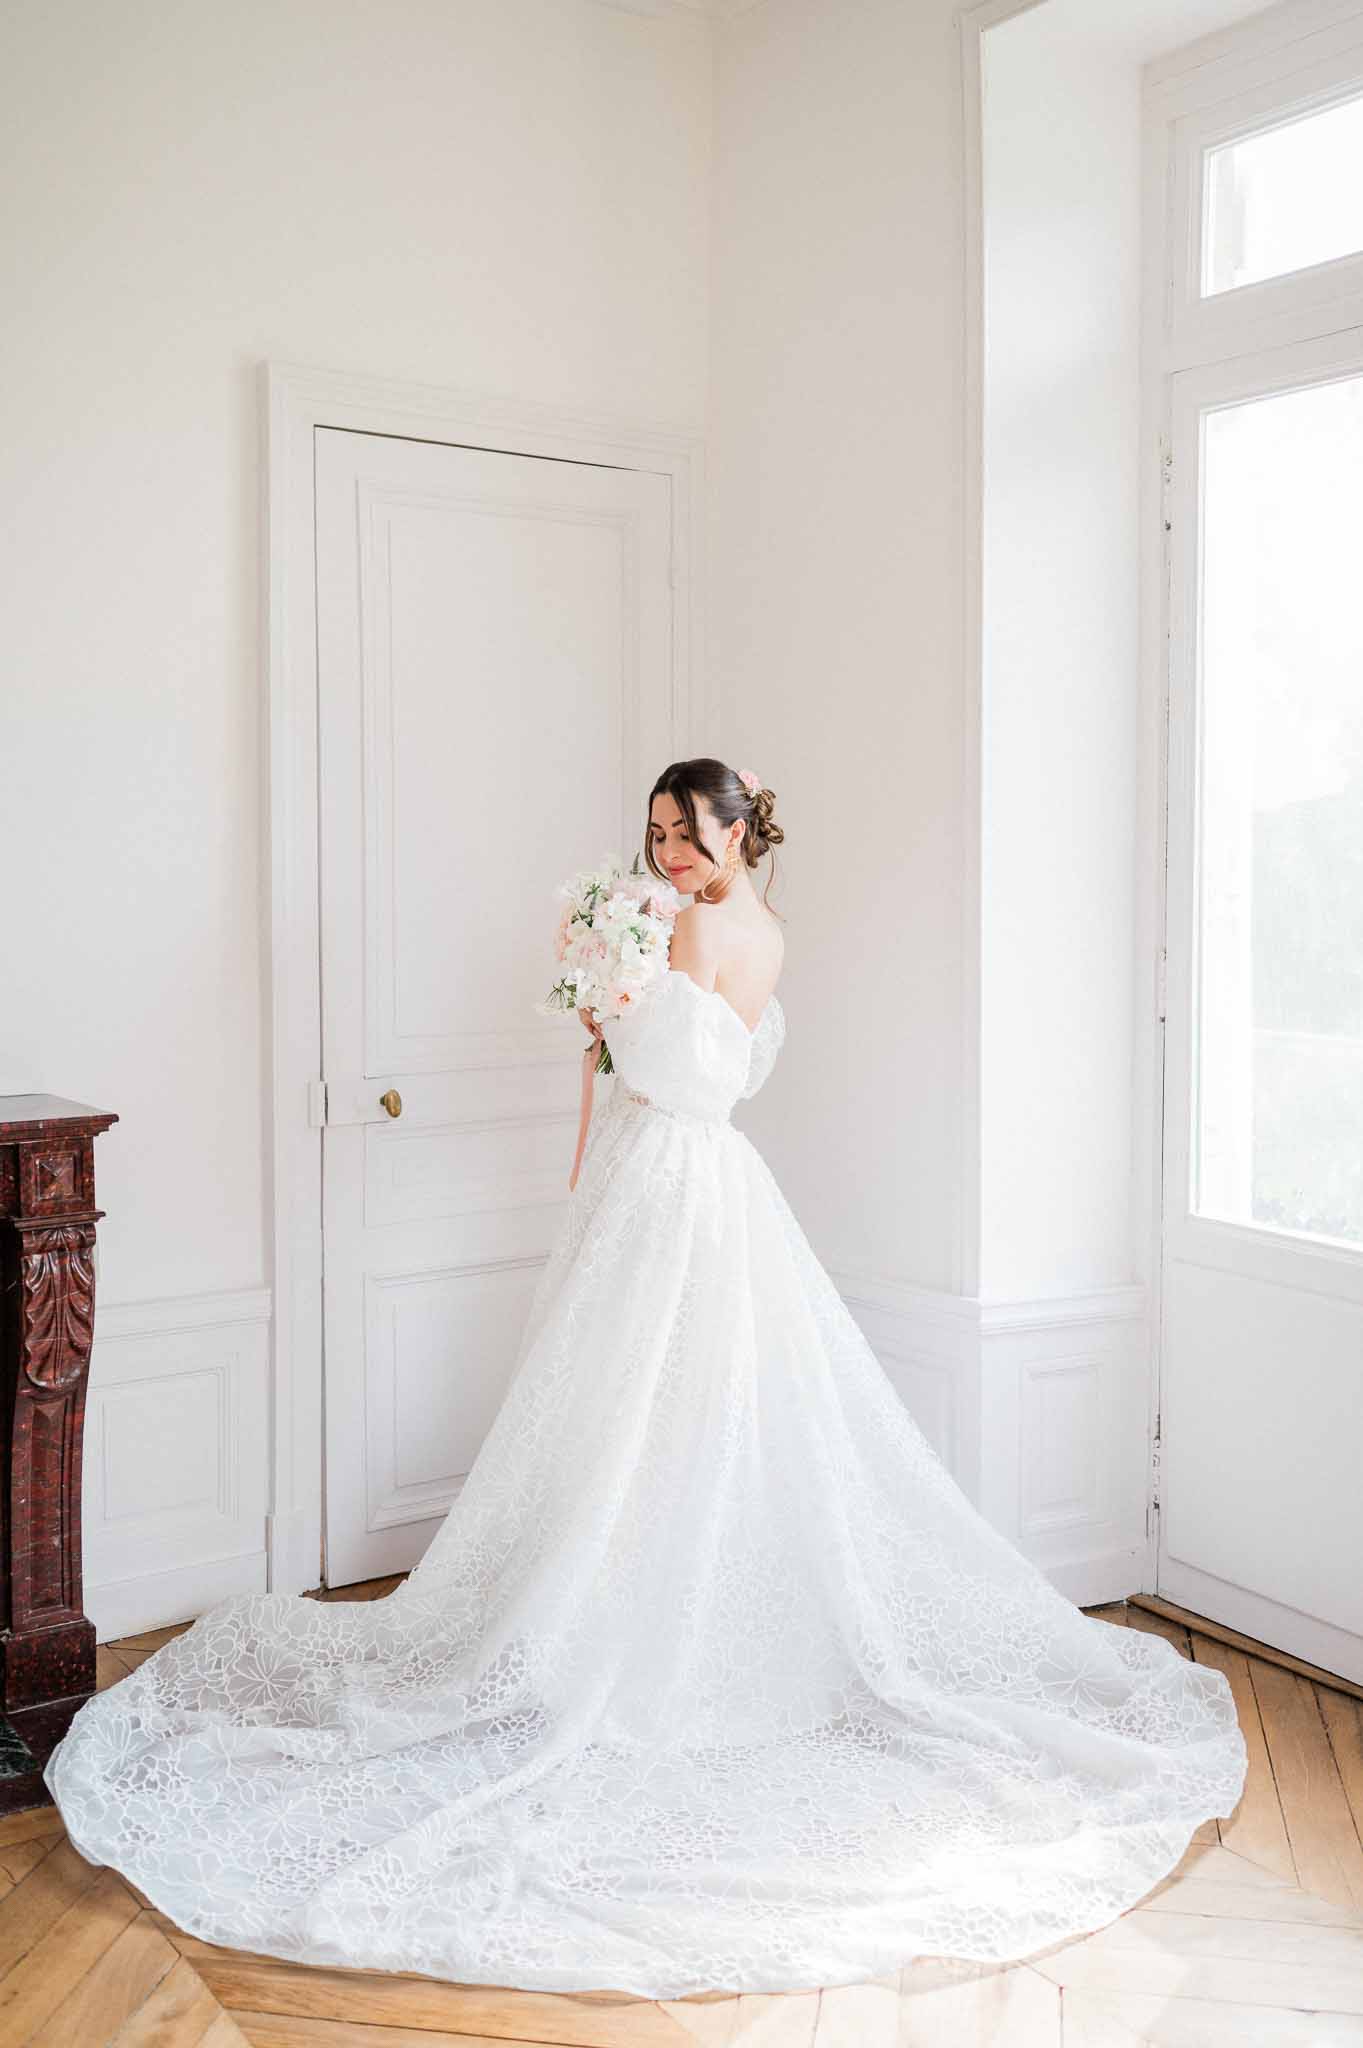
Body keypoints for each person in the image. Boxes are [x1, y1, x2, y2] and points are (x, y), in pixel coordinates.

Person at [43, 757, 1247, 2001]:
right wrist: (612, 987)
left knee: (650, 1403)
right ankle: (610, 1587)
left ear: (738, 826)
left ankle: (641, 1627)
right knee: (635, 1409)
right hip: (689, 1179)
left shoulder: (684, 924)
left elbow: (674, 1066)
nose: (667, 852)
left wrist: (607, 986)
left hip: (672, 1184)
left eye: (687, 830)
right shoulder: (760, 925)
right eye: (657, 832)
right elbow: (696, 1059)